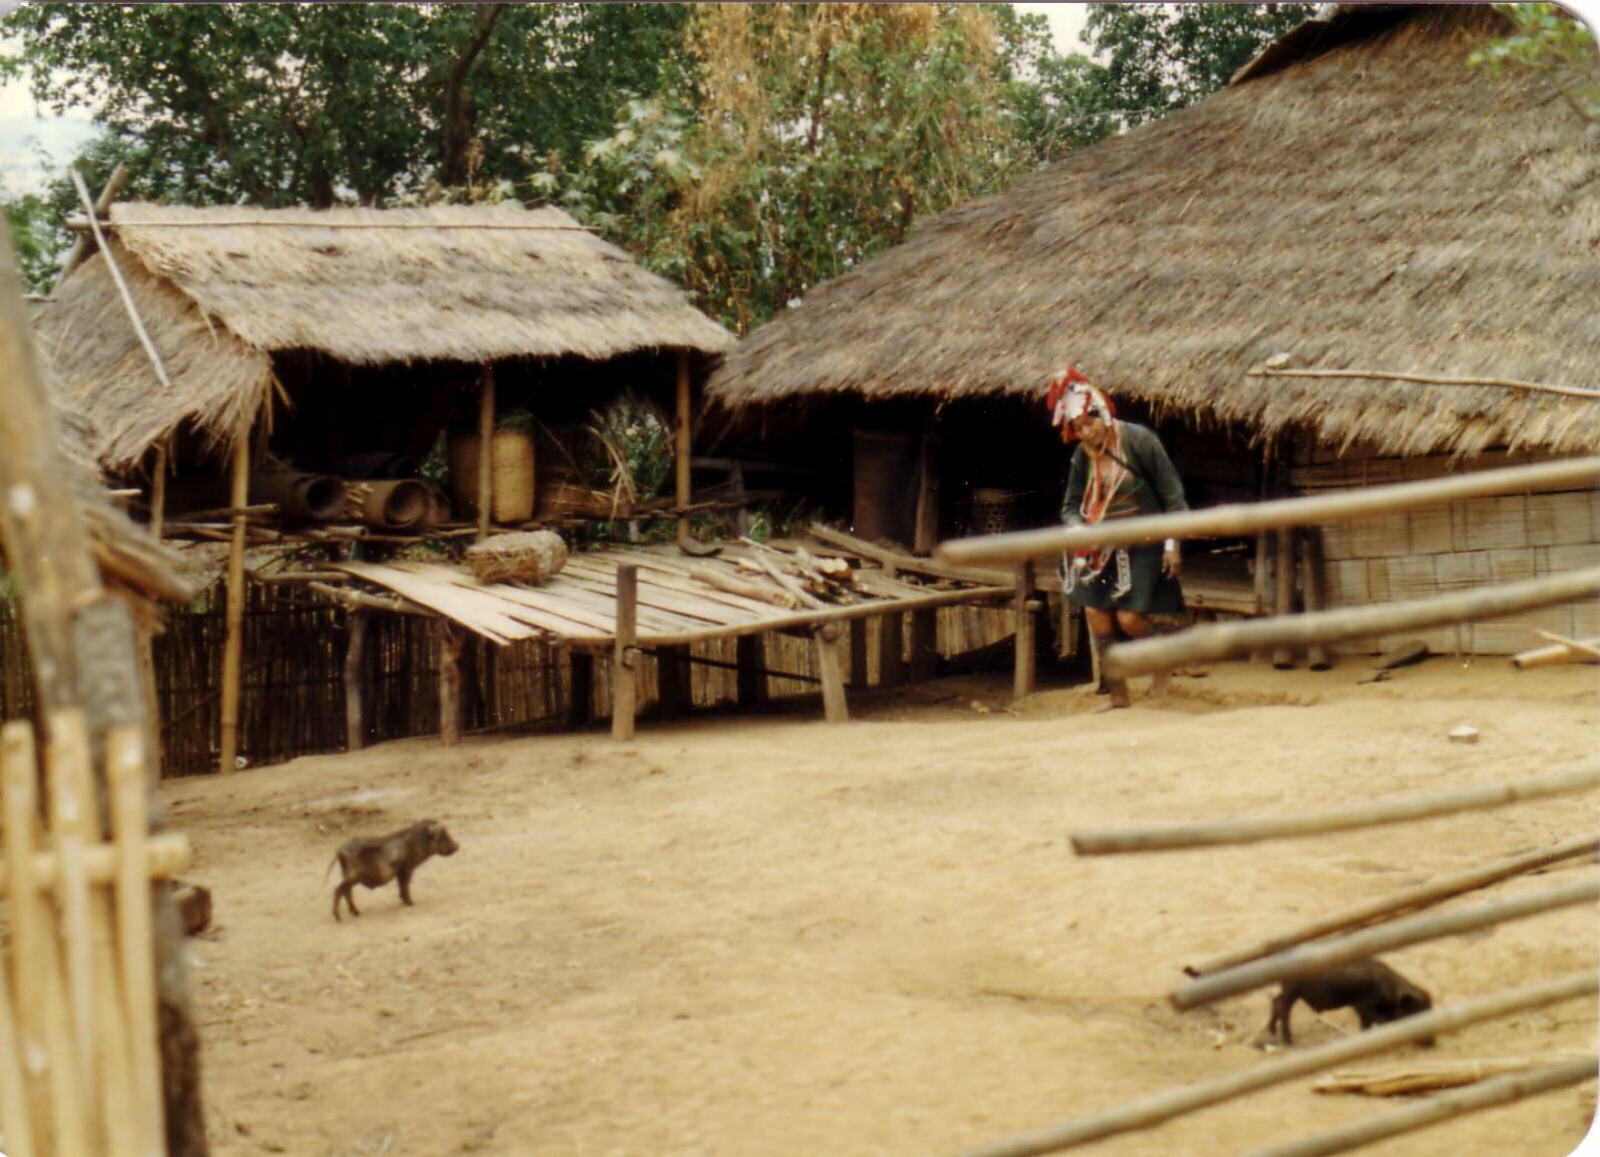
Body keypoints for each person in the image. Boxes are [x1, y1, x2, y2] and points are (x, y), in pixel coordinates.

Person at [1047, 366, 1188, 709]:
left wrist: (1172, 543)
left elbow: (1173, 495)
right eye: (1078, 429)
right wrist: (1078, 529)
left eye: (1089, 424)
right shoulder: (1082, 457)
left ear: (1103, 414)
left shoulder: (1139, 441)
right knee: (1096, 612)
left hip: (1144, 538)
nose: (1086, 434)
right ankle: (1118, 693)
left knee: (1129, 618)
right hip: (1099, 545)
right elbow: (1069, 505)